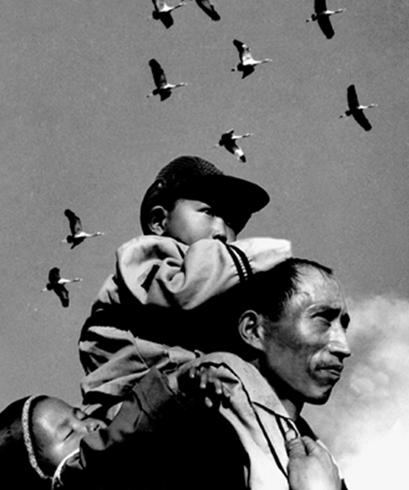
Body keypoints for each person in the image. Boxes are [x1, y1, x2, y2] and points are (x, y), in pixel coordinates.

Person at [78, 155, 292, 417]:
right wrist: (263, 256)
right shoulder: (146, 256)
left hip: (185, 403)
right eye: (209, 212)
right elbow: (182, 290)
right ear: (159, 221)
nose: (221, 231)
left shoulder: (216, 287)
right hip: (125, 410)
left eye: (231, 221)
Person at [169, 257, 351, 489]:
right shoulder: (198, 433)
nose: (344, 347)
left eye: (343, 325)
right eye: (323, 320)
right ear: (254, 330)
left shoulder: (319, 460)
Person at [0, 367, 341, 490]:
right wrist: (174, 385)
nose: (85, 423)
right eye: (68, 433)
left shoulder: (142, 463)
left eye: (77, 414)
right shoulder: (78, 476)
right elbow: (106, 448)